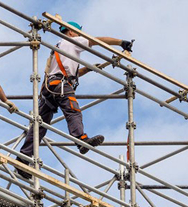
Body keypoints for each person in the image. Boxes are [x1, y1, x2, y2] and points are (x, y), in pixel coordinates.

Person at [16, 22, 133, 179]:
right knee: (73, 110)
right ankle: (81, 140)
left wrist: (87, 69)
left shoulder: (59, 47)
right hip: (61, 85)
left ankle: (23, 159)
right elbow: (97, 40)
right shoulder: (72, 41)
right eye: (78, 33)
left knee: (39, 126)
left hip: (50, 88)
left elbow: (68, 73)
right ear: (70, 32)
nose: (80, 36)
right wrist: (120, 42)